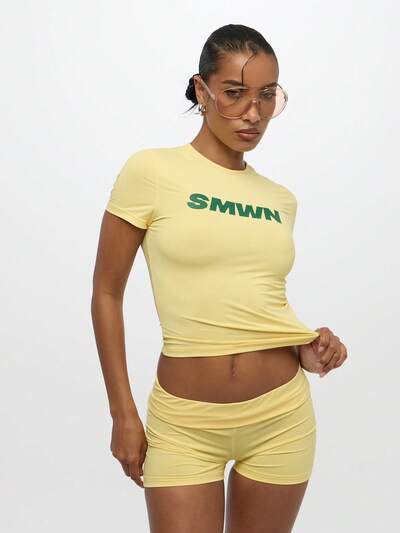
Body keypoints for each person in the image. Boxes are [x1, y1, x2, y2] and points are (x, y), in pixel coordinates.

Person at [91, 23, 348, 533]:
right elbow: (106, 291)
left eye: (267, 95)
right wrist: (123, 412)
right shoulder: (150, 172)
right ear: (201, 89)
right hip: (185, 423)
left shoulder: (280, 200)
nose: (253, 113)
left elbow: (255, 297)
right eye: (234, 93)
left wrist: (307, 347)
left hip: (281, 416)